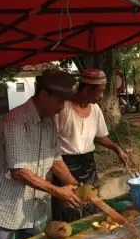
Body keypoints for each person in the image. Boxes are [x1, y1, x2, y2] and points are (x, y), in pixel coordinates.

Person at [0, 70, 82, 239]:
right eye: (59, 101)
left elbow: (55, 159)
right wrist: (58, 191)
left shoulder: (48, 120)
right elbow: (19, 172)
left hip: (34, 211)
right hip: (6, 210)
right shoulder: (15, 121)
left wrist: (76, 187)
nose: (62, 107)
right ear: (43, 94)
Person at [52, 69, 128, 222]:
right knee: (69, 210)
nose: (101, 96)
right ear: (86, 89)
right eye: (99, 91)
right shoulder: (63, 108)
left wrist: (116, 148)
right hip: (65, 165)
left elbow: (100, 136)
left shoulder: (96, 109)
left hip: (88, 165)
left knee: (91, 209)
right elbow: (50, 142)